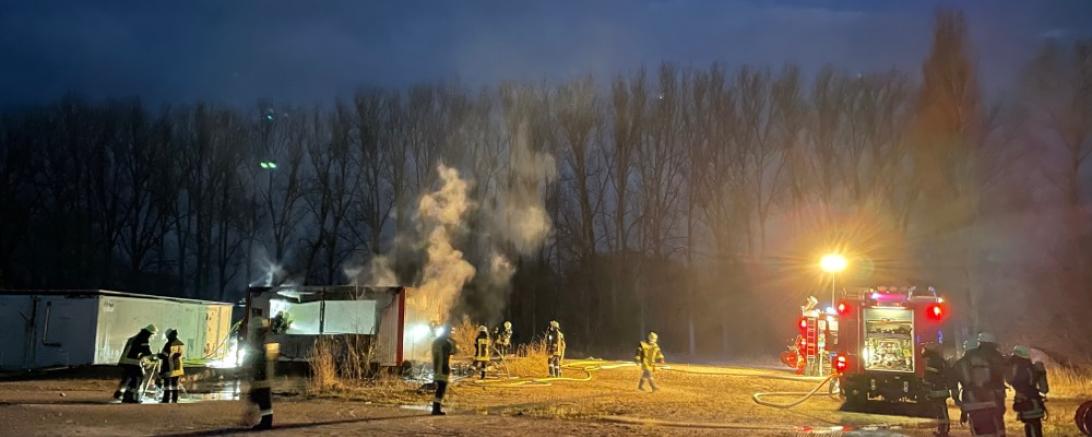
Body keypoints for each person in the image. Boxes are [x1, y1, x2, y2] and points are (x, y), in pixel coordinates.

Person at [955, 336, 1007, 436]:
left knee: (979, 431)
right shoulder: (987, 361)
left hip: (972, 403)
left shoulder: (960, 364)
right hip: (990, 402)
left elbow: (953, 386)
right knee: (992, 428)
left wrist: (960, 404)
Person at [1006, 345, 1048, 437]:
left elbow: (1009, 380)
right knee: (1034, 426)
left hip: (1026, 403)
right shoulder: (1033, 368)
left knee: (1031, 426)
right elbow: (1044, 389)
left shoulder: (1016, 368)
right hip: (1035, 402)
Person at [247, 317, 278, 430]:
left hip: (262, 376)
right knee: (261, 400)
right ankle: (265, 422)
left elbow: (261, 359)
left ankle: (265, 423)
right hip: (263, 376)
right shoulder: (265, 341)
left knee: (263, 401)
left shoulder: (261, 343)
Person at [114, 324, 157, 403]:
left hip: (125, 361)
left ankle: (122, 394)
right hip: (132, 362)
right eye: (152, 335)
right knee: (138, 378)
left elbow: (138, 351)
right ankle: (131, 397)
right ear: (150, 333)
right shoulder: (143, 339)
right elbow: (146, 351)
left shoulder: (135, 338)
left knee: (128, 378)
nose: (152, 336)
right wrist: (154, 357)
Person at [977, 332, 1009, 430]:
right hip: (998, 391)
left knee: (984, 417)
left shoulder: (977, 356)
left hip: (982, 392)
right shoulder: (998, 356)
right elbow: (1005, 372)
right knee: (998, 416)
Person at [921, 342, 954, 436]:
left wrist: (925, 385)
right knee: (940, 410)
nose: (923, 352)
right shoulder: (938, 360)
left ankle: (944, 430)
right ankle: (942, 429)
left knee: (941, 410)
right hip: (940, 389)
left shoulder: (933, 361)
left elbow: (929, 376)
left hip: (937, 390)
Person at [431, 322, 456, 415]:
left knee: (439, 389)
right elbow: (454, 351)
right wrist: (453, 341)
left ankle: (435, 408)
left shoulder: (436, 341)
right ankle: (436, 409)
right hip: (444, 368)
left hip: (436, 368)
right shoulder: (447, 343)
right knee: (441, 389)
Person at [158, 329, 185, 404]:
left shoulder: (169, 344)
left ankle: (165, 399)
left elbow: (165, 355)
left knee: (167, 384)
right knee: (175, 384)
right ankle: (174, 400)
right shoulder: (179, 343)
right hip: (177, 367)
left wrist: (158, 355)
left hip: (169, 366)